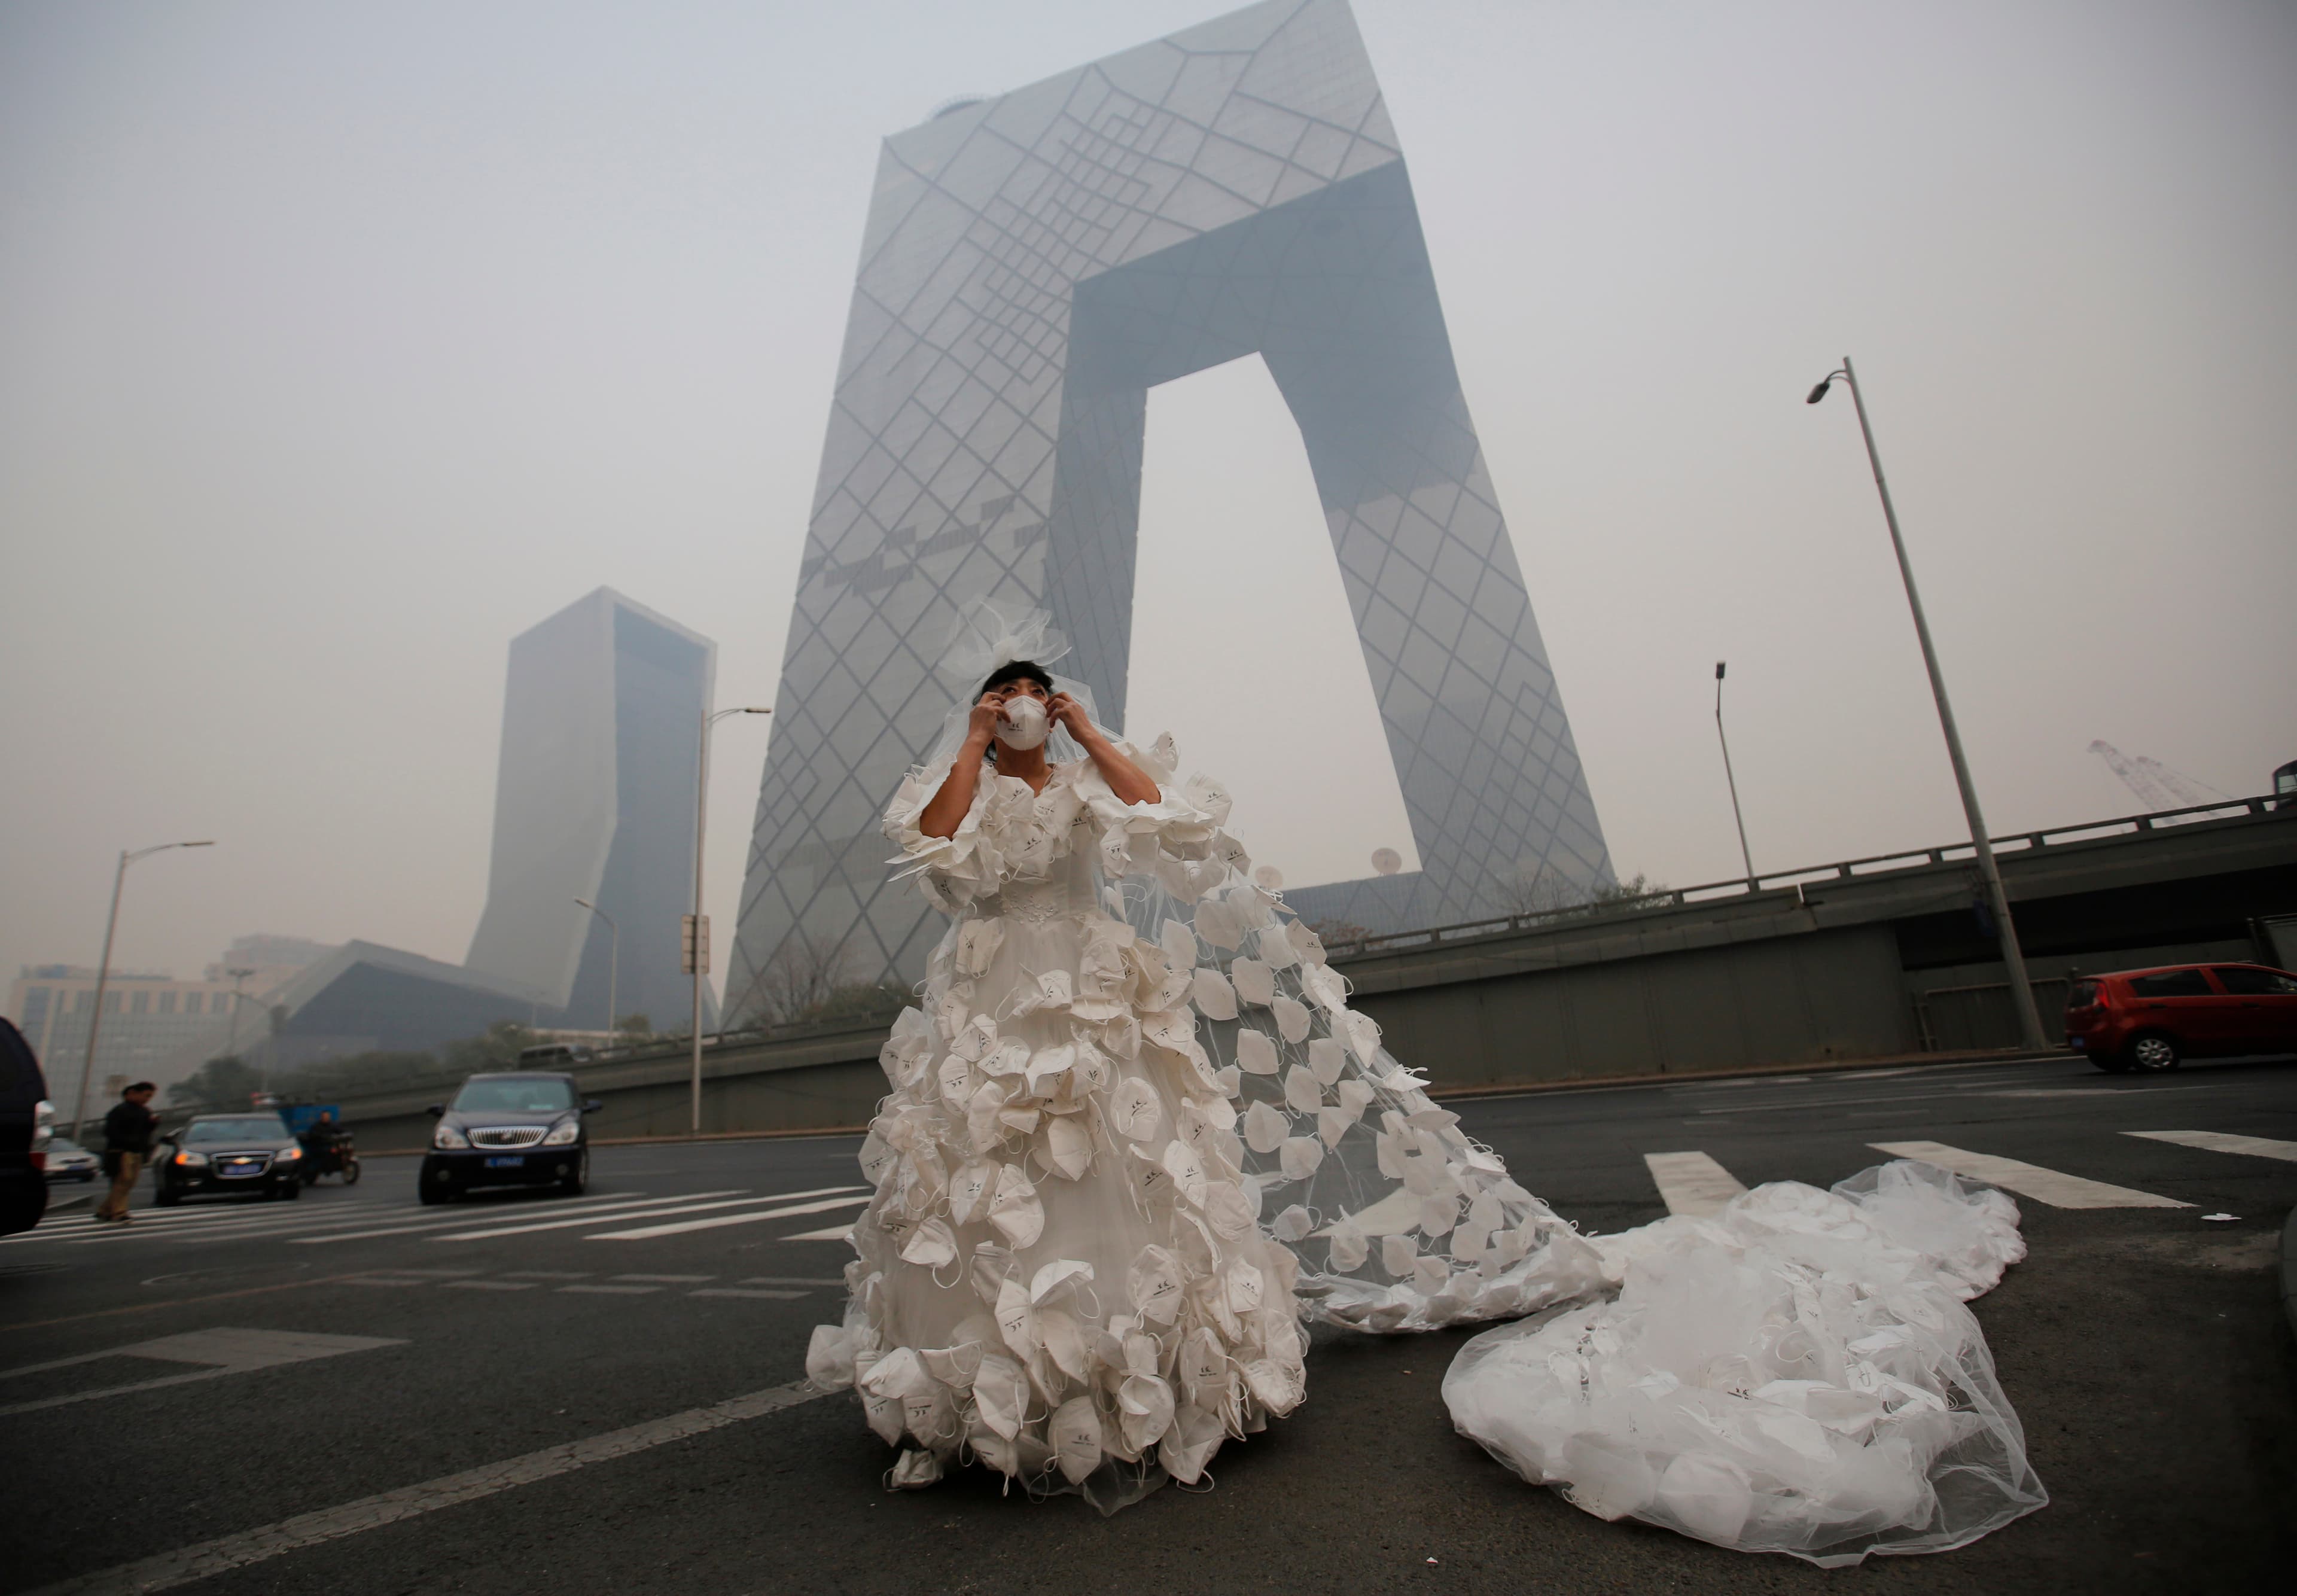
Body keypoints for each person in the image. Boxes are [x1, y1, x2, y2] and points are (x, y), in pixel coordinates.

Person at [806, 606, 2046, 1563]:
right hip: (994, 997)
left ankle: (1145, 1379)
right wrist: (971, 743)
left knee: (1123, 1174)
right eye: (1003, 695)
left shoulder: (1081, 773)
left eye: (1032, 692)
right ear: (977, 709)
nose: (1020, 705)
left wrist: (1084, 730)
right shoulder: (956, 776)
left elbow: (1166, 814)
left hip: (1095, 987)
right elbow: (938, 849)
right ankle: (999, 1387)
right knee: (1001, 1175)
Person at [95, 1081, 158, 1223]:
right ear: (133, 1094)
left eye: (150, 1097)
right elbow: (110, 1131)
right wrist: (126, 1142)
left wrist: (152, 1125)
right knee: (122, 1181)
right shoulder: (120, 1111)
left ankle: (105, 1210)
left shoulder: (145, 1112)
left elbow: (145, 1132)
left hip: (137, 1151)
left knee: (129, 1182)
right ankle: (119, 1211)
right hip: (122, 1151)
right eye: (146, 1095)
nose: (147, 1099)